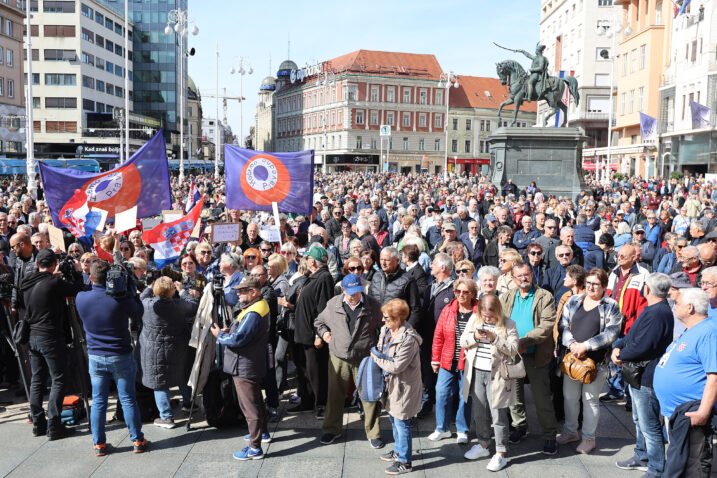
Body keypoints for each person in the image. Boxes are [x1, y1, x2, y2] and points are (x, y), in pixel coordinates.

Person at [75, 260, 148, 455]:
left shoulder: (81, 298)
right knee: (127, 399)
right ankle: (138, 441)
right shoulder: (121, 299)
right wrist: (131, 290)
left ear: (91, 277)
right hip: (120, 355)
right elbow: (139, 313)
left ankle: (99, 444)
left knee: (99, 401)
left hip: (96, 356)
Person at [612, 273, 674, 477]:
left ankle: (656, 469)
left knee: (650, 426)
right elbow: (632, 335)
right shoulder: (651, 309)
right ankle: (642, 455)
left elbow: (644, 346)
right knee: (640, 420)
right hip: (638, 373)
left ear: (648, 289)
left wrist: (621, 354)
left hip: (647, 375)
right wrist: (618, 345)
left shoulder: (659, 313)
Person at [556, 268, 621, 454]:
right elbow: (563, 324)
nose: (591, 287)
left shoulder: (610, 305)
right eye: (589, 283)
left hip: (595, 363)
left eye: (596, 284)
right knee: (569, 397)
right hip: (573, 359)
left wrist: (586, 346)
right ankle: (570, 432)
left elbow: (611, 333)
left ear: (604, 286)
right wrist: (572, 344)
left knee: (590, 400)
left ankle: (588, 438)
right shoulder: (574, 300)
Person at [653, 288, 717, 478]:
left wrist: (703, 412)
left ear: (690, 307)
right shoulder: (692, 330)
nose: (674, 306)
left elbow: (714, 376)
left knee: (690, 466)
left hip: (690, 412)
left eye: (677, 303)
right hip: (675, 411)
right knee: (679, 462)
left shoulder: (708, 332)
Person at [314, 274, 384, 447]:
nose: (354, 296)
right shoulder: (333, 304)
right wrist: (324, 334)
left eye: (358, 292)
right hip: (339, 357)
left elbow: (384, 327)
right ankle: (331, 430)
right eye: (350, 292)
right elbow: (319, 321)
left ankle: (373, 433)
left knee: (369, 396)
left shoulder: (373, 306)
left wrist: (381, 347)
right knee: (335, 396)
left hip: (365, 358)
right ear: (343, 289)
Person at [21, 248, 84, 440]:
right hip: (50, 337)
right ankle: (54, 425)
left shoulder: (27, 281)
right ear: (54, 264)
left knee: (37, 380)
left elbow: (46, 283)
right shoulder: (54, 283)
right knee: (58, 379)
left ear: (37, 264)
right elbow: (76, 289)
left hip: (32, 336)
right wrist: (77, 271)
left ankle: (38, 423)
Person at [500, 263, 559, 455]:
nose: (524, 278)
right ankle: (519, 427)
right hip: (513, 354)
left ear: (532, 275)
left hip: (536, 354)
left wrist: (524, 341)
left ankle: (550, 435)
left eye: (527, 275)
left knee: (542, 397)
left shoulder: (544, 296)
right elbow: (500, 322)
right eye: (519, 276)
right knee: (515, 396)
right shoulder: (507, 296)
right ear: (512, 278)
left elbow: (547, 324)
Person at [211, 277, 271, 461]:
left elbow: (239, 340)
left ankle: (254, 448)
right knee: (257, 402)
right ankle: (263, 433)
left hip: (244, 364)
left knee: (249, 407)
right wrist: (232, 331)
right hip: (251, 361)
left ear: (254, 292)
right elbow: (243, 333)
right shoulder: (258, 305)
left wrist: (219, 335)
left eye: (242, 290)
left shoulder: (253, 312)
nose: (238, 293)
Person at [459, 294, 519, 471]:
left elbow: (514, 349)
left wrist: (495, 338)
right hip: (477, 371)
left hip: (498, 374)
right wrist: (475, 337)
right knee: (479, 412)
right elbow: (463, 341)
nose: (486, 318)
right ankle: (483, 445)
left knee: (498, 414)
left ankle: (501, 452)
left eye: (490, 315)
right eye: (484, 315)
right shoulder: (474, 319)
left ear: (498, 312)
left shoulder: (509, 324)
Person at [371, 298, 422, 476]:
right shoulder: (386, 330)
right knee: (393, 418)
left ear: (398, 318)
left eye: (386, 317)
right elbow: (380, 348)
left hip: (403, 386)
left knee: (402, 422)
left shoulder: (409, 339)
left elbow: (396, 366)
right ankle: (399, 450)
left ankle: (405, 462)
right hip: (389, 384)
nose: (383, 320)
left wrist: (376, 358)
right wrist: (379, 355)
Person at [139, 276, 198, 428]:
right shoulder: (180, 305)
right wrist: (183, 291)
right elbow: (194, 305)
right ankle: (188, 403)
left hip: (154, 350)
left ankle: (166, 417)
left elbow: (141, 297)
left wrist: (150, 286)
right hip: (178, 347)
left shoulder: (147, 305)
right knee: (182, 374)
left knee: (160, 382)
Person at [429, 278, 476, 445]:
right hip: (448, 359)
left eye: (465, 292)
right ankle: (442, 428)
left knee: (465, 396)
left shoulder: (478, 311)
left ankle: (462, 430)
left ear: (472, 294)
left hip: (469, 361)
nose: (461, 295)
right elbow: (438, 336)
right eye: (458, 291)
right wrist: (435, 360)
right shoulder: (448, 310)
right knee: (441, 392)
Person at [290, 244, 335, 417]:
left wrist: (319, 334)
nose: (306, 260)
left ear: (314, 262)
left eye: (308, 258)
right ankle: (307, 400)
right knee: (304, 370)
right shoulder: (312, 277)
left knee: (317, 370)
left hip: (312, 335)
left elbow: (323, 308)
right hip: (302, 334)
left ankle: (321, 403)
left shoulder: (324, 278)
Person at [418, 253, 455, 418]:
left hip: (445, 340)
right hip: (427, 337)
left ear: (443, 267)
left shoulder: (454, 289)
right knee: (427, 372)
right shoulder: (430, 286)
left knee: (444, 374)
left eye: (433, 263)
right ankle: (427, 402)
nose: (430, 266)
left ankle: (449, 410)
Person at [369, 247, 421, 328]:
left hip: (397, 329)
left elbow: (415, 309)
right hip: (376, 328)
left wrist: (406, 330)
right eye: (381, 259)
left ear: (397, 261)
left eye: (387, 260)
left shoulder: (407, 280)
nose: (383, 263)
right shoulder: (376, 276)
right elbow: (369, 301)